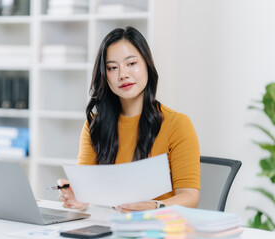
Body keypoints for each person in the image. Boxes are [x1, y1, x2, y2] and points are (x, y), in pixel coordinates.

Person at [58, 26, 200, 212]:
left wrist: (154, 206)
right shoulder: (95, 125)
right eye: (112, 67)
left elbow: (190, 197)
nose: (123, 74)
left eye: (131, 63)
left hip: (159, 228)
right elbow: (86, 191)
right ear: (104, 75)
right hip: (111, 227)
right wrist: (78, 197)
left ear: (147, 65)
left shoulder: (177, 124)